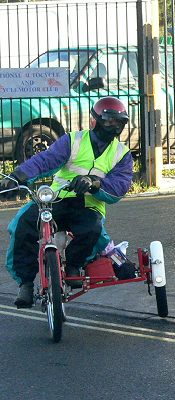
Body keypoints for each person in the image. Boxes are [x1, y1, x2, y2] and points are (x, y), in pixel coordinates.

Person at [0, 96, 133, 308]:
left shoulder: (122, 154)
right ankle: (25, 283)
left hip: (88, 206)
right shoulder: (73, 140)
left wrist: (94, 183)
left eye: (119, 123)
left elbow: (119, 187)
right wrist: (17, 176)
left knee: (93, 229)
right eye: (108, 121)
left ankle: (74, 266)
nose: (113, 127)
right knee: (22, 224)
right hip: (56, 200)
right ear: (94, 121)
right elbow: (45, 160)